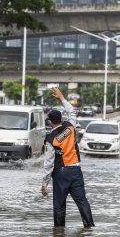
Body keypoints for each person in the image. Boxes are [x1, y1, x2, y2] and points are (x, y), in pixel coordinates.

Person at [41, 87, 94, 228]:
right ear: (61, 119)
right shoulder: (70, 127)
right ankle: (90, 228)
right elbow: (71, 111)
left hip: (61, 174)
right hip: (76, 171)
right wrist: (62, 98)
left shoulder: (51, 138)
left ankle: (59, 231)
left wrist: (44, 184)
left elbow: (49, 163)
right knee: (82, 201)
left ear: (51, 122)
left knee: (59, 205)